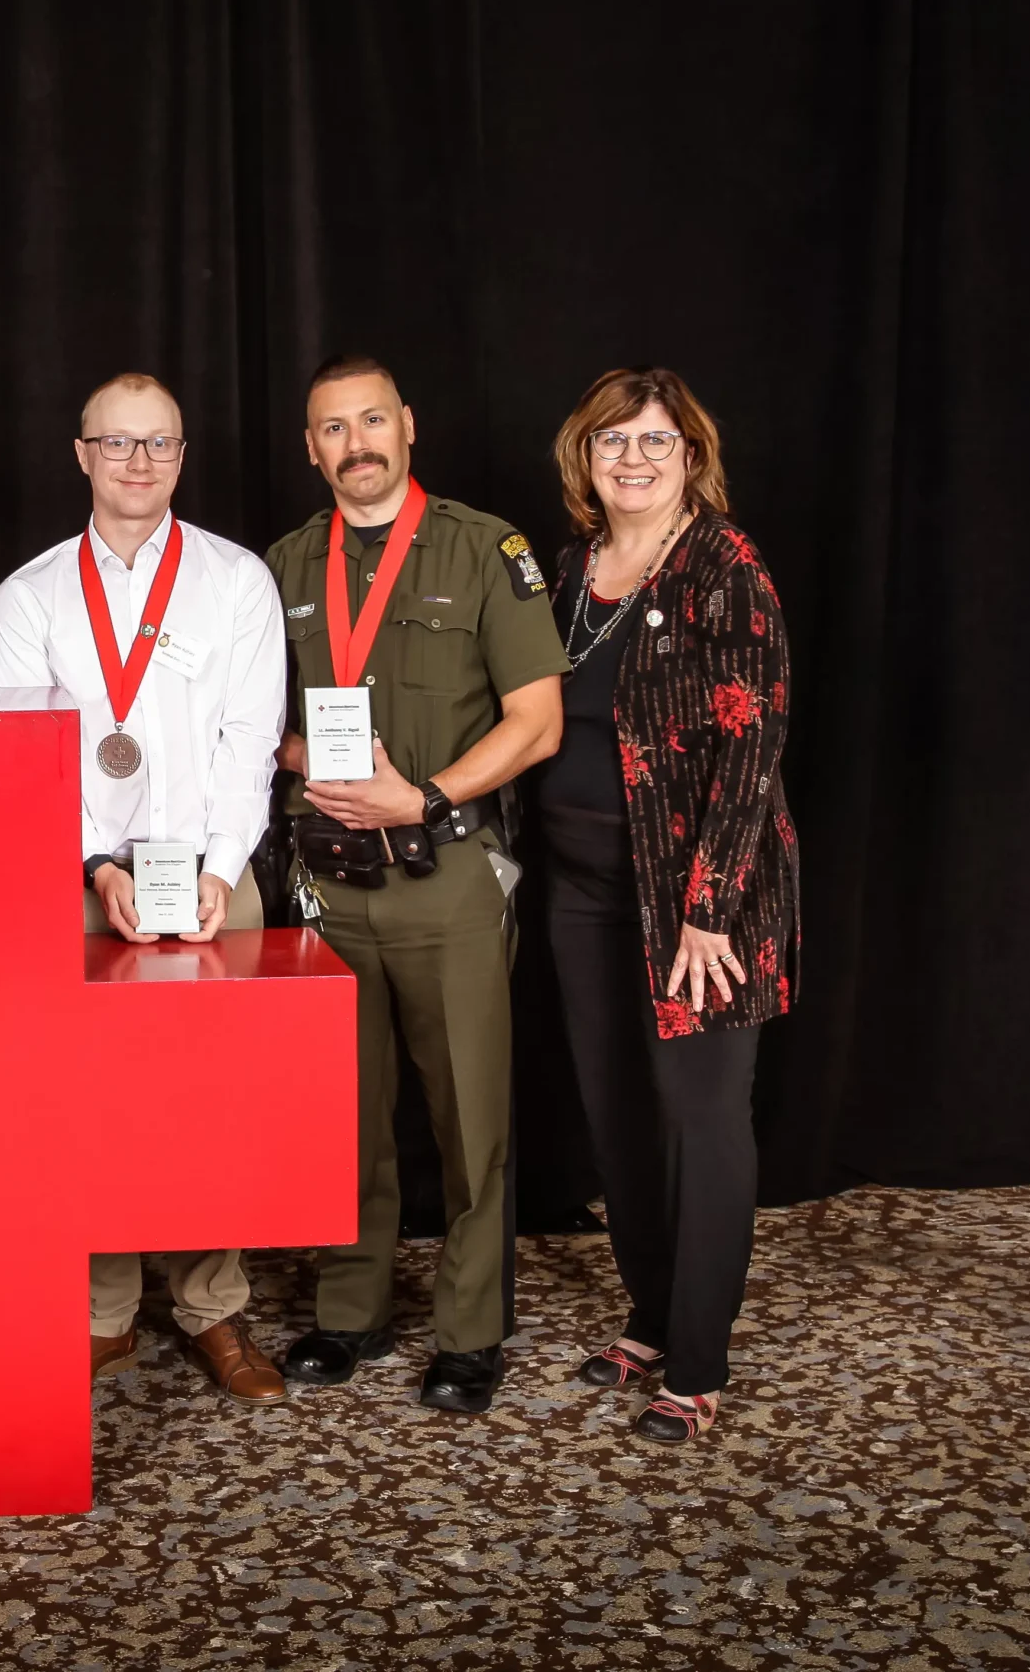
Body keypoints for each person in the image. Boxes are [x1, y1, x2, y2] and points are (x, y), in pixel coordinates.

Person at [265, 354, 569, 1413]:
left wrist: (425, 798)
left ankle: (470, 1330)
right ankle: (349, 1313)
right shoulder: (280, 567)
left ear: (408, 426)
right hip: (326, 886)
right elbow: (252, 727)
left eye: (372, 420)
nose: (356, 443)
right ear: (311, 448)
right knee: (342, 1117)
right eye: (332, 428)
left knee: (468, 1118)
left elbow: (538, 722)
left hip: (444, 877)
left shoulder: (487, 550)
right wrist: (312, 762)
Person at [0, 372, 289, 1406]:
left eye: (158, 444)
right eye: (117, 444)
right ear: (80, 454)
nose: (138, 463)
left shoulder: (234, 580)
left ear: (182, 455)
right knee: (81, 1102)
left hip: (211, 875)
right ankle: (99, 1312)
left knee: (211, 1102)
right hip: (81, 884)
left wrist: (215, 870)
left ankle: (213, 1306)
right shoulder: (27, 596)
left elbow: (249, 744)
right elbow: (23, 758)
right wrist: (96, 864)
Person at [538, 366, 798, 1443]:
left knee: (700, 1120)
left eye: (653, 442)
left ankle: (696, 1363)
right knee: (617, 1114)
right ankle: (647, 1315)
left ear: (690, 453)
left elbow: (753, 741)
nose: (632, 460)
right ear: (583, 459)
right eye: (612, 443)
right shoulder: (572, 570)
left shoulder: (722, 565)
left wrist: (709, 907)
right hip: (581, 887)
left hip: (697, 896)